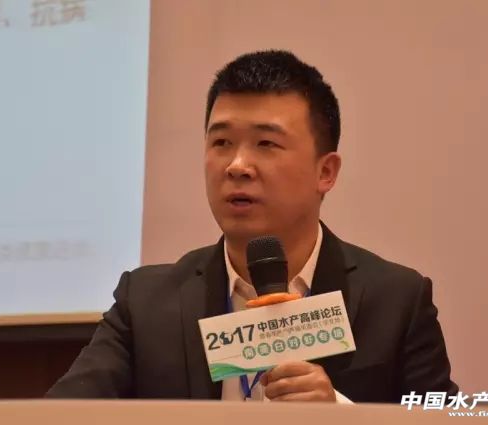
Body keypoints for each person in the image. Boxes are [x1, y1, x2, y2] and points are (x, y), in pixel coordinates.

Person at [47, 50, 458, 402]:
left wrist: (343, 415)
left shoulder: (396, 301)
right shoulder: (145, 304)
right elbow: (60, 416)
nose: (237, 165)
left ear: (326, 172)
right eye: (221, 142)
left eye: (266, 144)